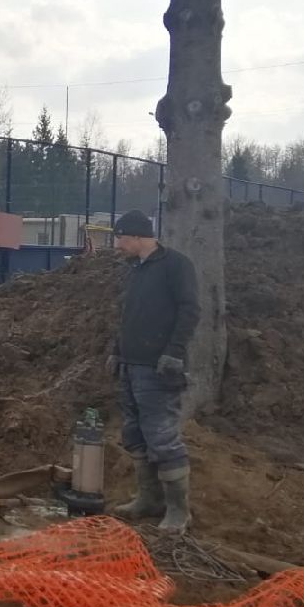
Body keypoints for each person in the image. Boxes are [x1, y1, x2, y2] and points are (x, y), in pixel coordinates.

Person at [105, 209, 200, 533]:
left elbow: (190, 310)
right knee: (135, 434)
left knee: (162, 437)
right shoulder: (134, 270)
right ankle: (149, 499)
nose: (117, 244)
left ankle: (178, 511)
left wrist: (174, 352)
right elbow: (127, 315)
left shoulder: (176, 265)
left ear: (136, 236)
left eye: (120, 238)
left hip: (158, 368)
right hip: (132, 366)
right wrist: (118, 351)